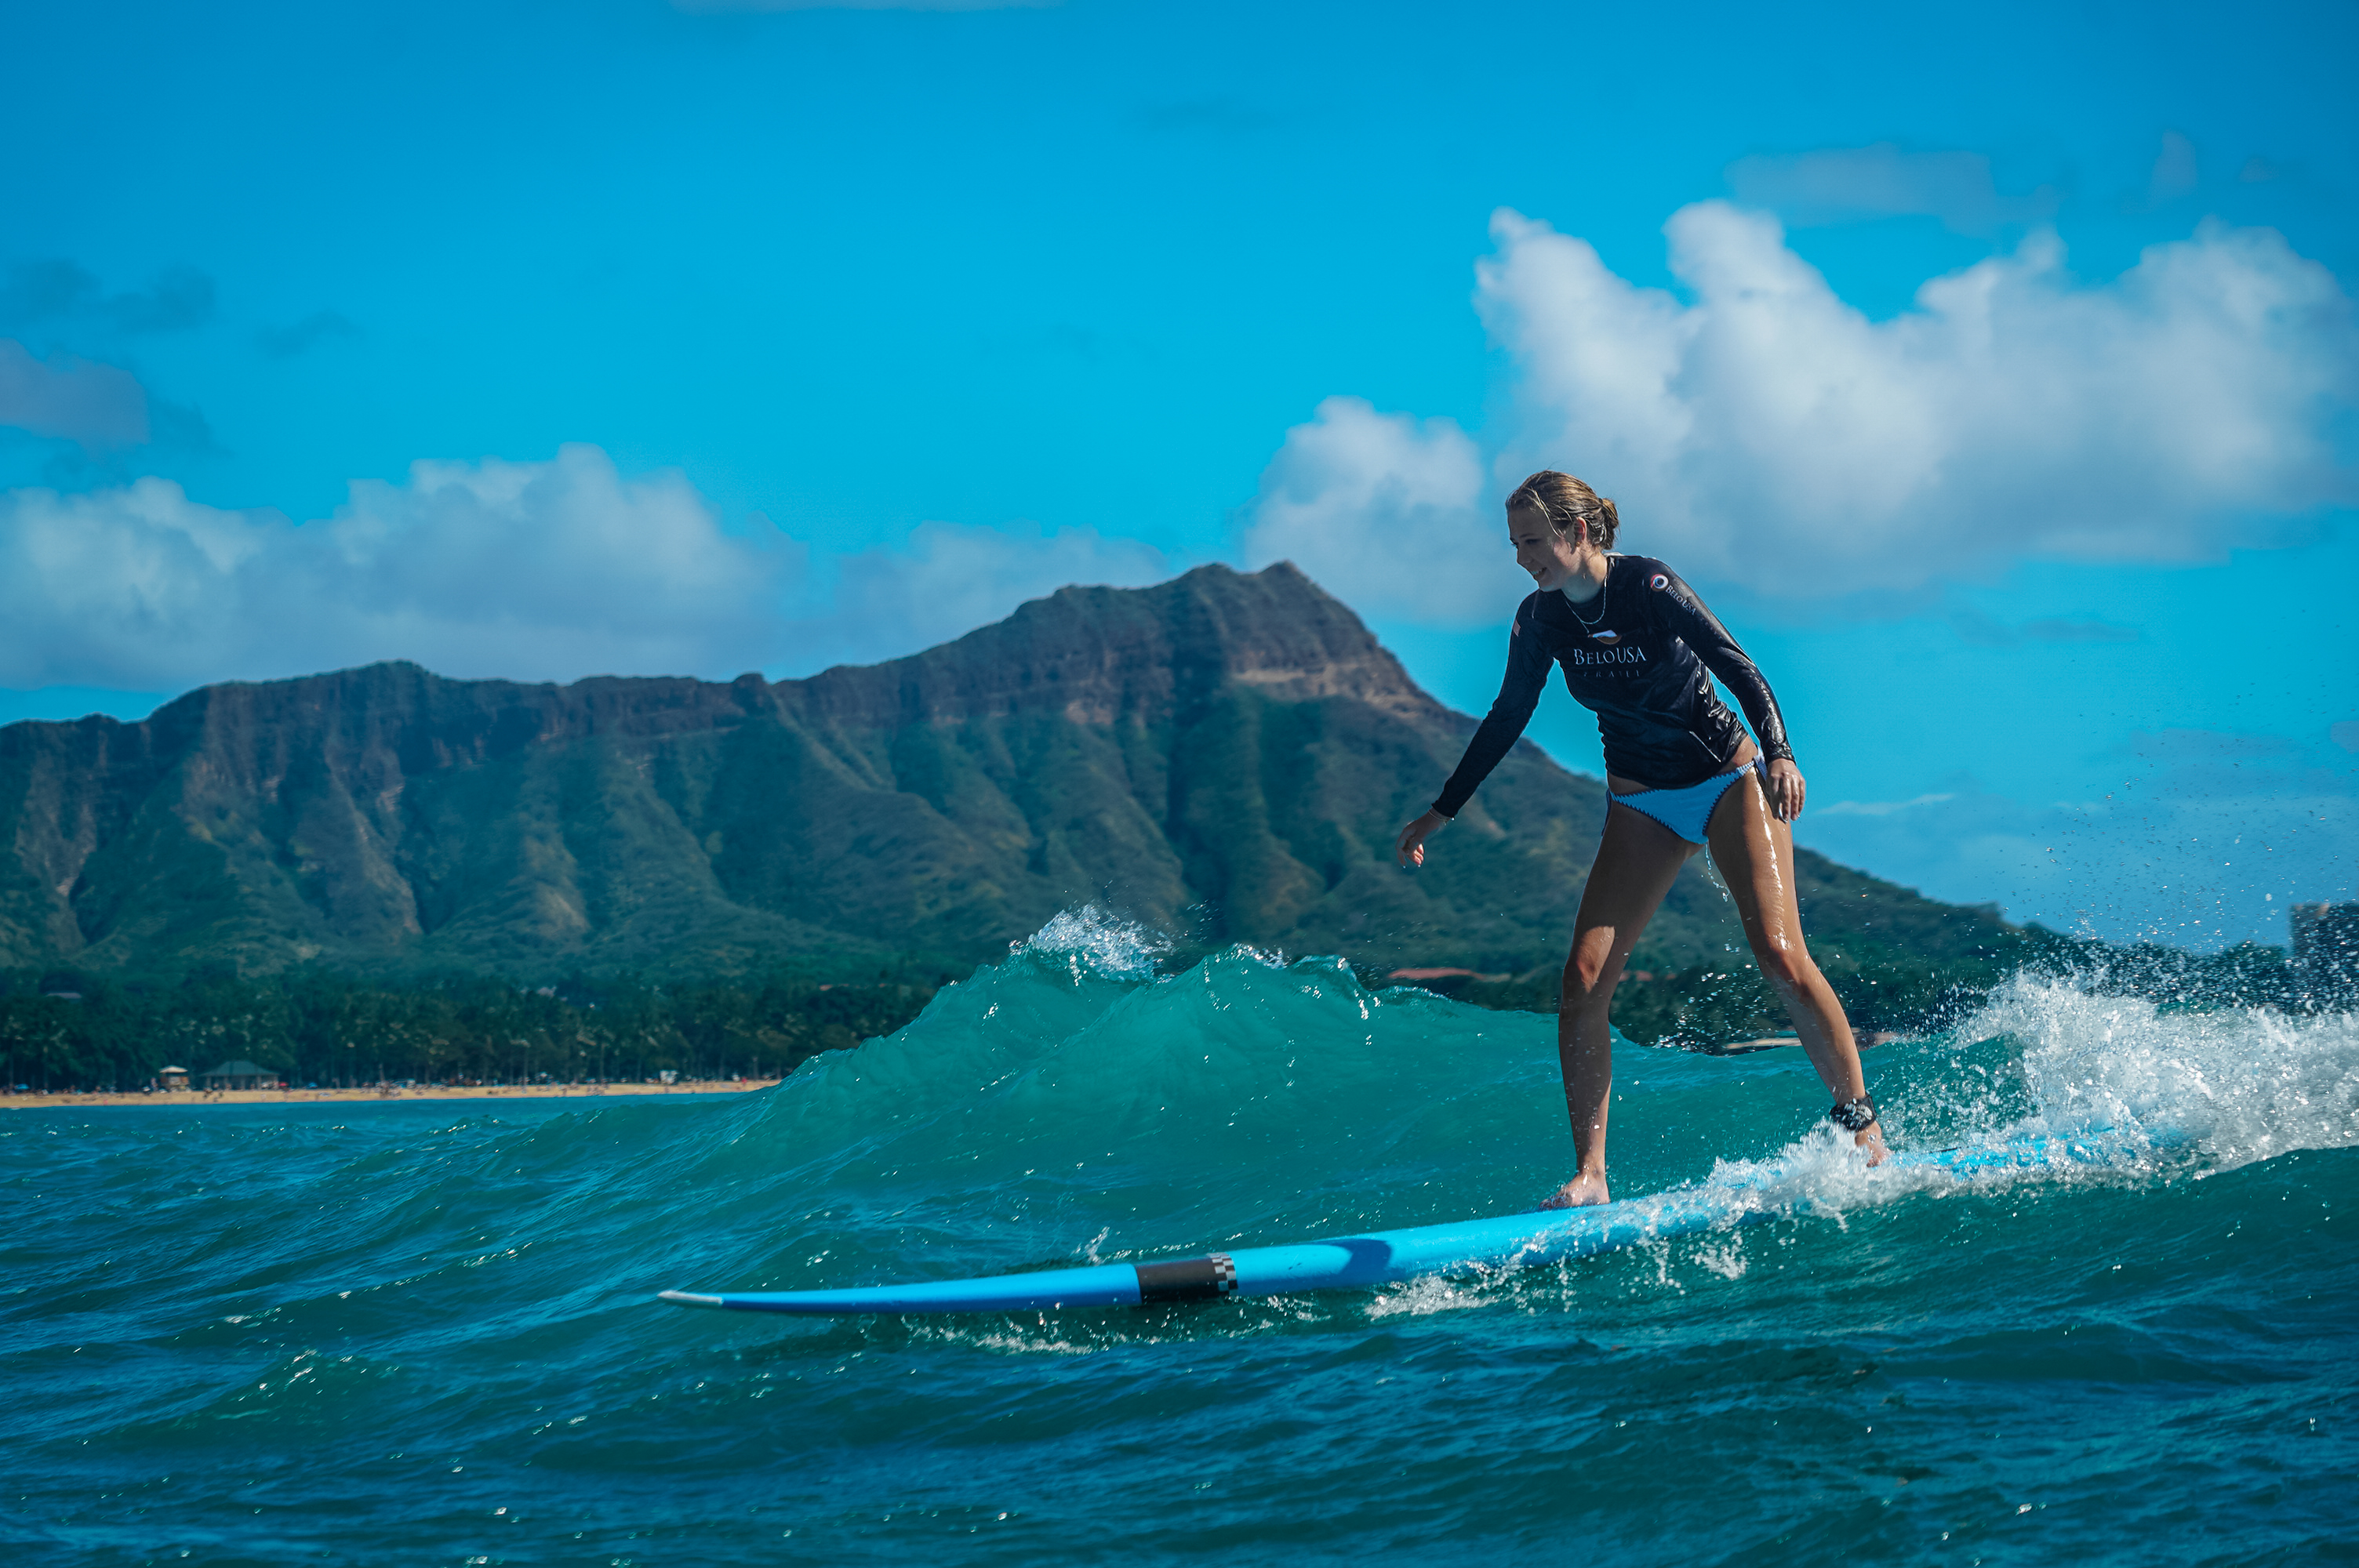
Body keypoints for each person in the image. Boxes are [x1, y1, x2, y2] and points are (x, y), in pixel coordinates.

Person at [1394, 470, 1887, 1209]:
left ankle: (1860, 1125)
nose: (1522, 558)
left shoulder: (1650, 588)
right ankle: (1591, 1174)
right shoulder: (1541, 621)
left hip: (1728, 781)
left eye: (1533, 541)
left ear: (1579, 532)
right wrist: (1443, 811)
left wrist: (1780, 752)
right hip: (1641, 803)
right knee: (1583, 981)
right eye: (1515, 544)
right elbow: (1507, 715)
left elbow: (1737, 665)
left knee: (1779, 954)